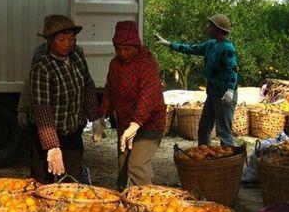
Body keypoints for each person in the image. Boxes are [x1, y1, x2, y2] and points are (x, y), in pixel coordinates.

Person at [29, 14, 100, 184]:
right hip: (45, 135)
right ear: (50, 41)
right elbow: (42, 108)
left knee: (72, 180)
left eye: (70, 39)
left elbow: (88, 87)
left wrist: (95, 117)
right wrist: (52, 147)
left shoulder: (77, 57)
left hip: (72, 132)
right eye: (61, 39)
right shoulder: (42, 68)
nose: (67, 43)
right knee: (41, 182)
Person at [97, 20, 165, 190]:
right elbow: (110, 92)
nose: (122, 53)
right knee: (123, 170)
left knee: (137, 167)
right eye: (118, 49)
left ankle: (146, 208)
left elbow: (147, 96)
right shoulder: (115, 64)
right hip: (125, 123)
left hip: (149, 124)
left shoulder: (148, 64)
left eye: (127, 49)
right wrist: (101, 116)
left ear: (137, 46)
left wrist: (136, 123)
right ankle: (125, 208)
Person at [155, 14, 238, 146]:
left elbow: (232, 70)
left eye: (211, 26)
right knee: (204, 128)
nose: (208, 28)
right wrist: (169, 44)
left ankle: (228, 163)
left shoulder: (227, 49)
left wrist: (230, 90)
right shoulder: (211, 45)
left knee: (224, 132)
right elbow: (191, 48)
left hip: (224, 95)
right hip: (212, 94)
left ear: (218, 29)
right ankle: (204, 158)